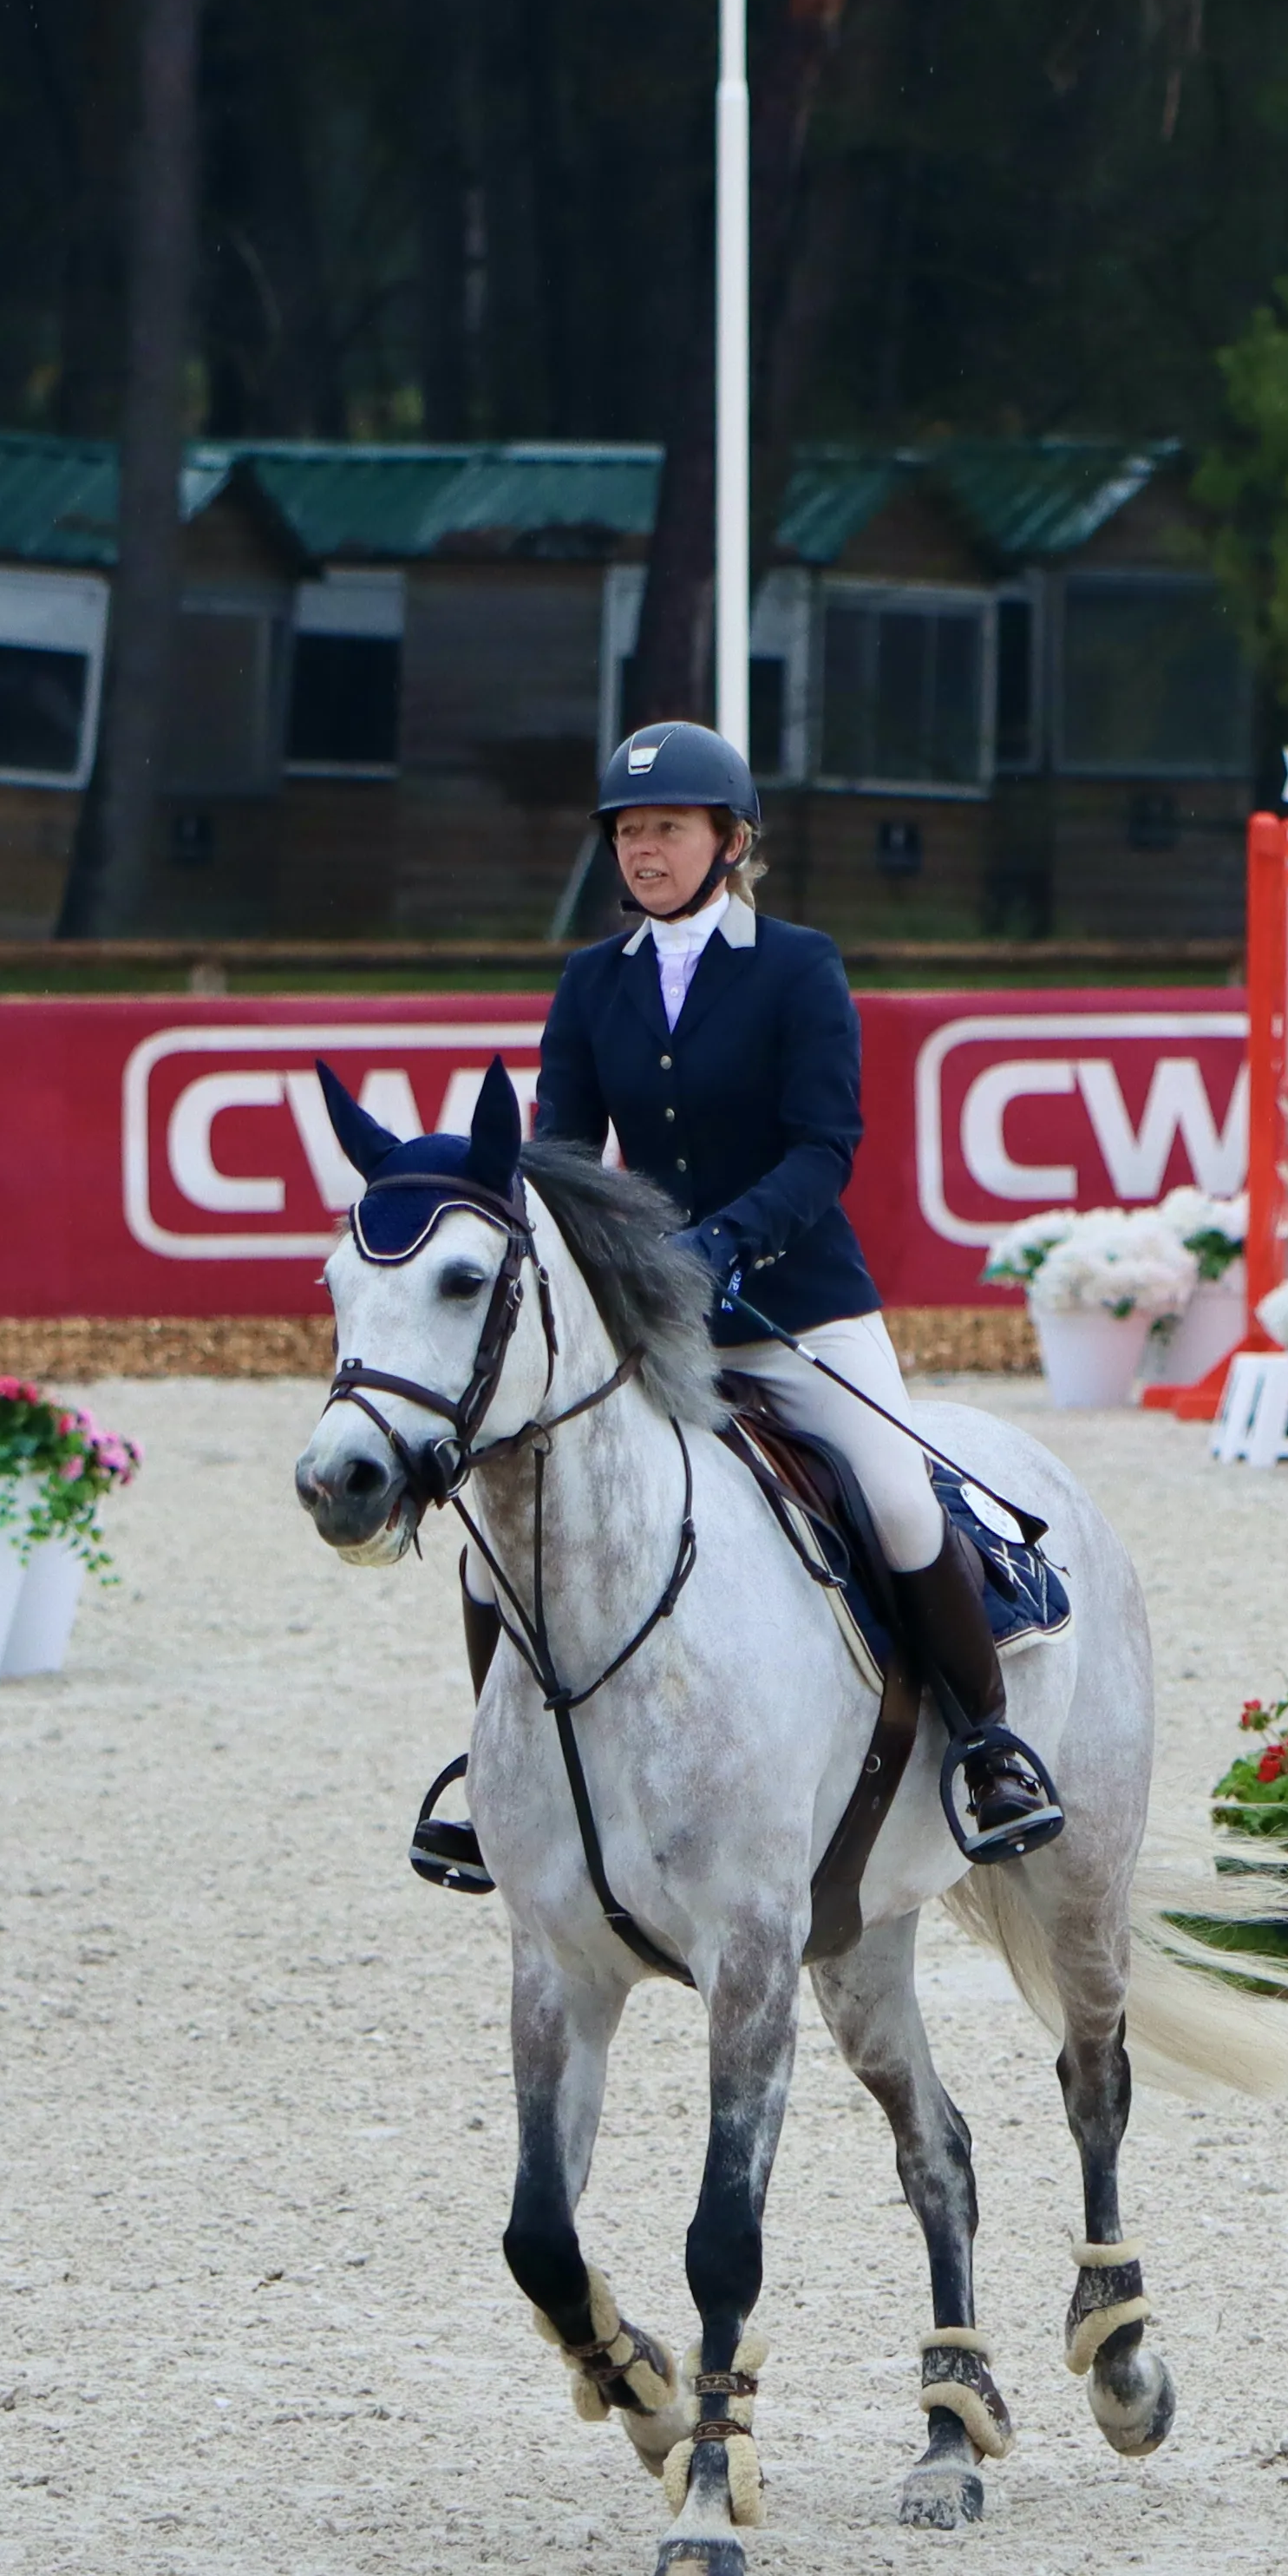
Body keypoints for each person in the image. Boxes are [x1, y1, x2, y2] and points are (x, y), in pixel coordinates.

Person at [407, 720, 1060, 1891]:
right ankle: (502, 1771)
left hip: (799, 1308)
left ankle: (987, 1744)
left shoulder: (796, 966)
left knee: (897, 1500)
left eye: (666, 827)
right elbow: (562, 1156)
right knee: (496, 1544)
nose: (642, 849)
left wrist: (721, 1241)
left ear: (732, 840)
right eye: (627, 831)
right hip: (651, 1329)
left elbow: (824, 1146)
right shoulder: (591, 981)